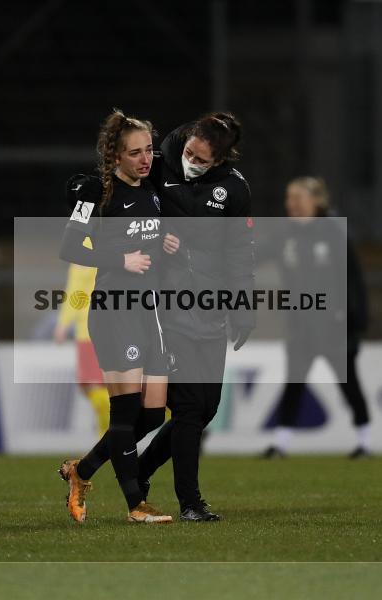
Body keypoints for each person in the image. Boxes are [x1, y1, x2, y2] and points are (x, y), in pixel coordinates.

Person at [134, 112, 255, 522]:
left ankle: (138, 471)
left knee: (206, 410)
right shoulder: (158, 164)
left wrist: (243, 306)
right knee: (187, 409)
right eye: (189, 153)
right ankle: (190, 502)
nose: (191, 162)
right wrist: (154, 233)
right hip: (166, 307)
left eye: (201, 160)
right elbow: (125, 211)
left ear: (219, 161)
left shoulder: (234, 190)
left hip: (212, 307)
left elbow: (239, 251)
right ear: (185, 141)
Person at [56, 109, 172, 524]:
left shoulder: (154, 190)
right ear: (115, 156)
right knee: (124, 413)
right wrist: (119, 257)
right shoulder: (95, 195)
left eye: (149, 150)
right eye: (135, 152)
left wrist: (167, 243)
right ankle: (135, 506)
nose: (145, 159)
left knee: (154, 414)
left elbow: (151, 237)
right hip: (114, 310)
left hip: (148, 311)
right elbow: (70, 247)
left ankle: (81, 470)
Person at [260, 176, 372, 459]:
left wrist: (357, 319)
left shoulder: (334, 233)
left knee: (348, 384)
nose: (291, 205)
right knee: (294, 383)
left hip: (335, 326)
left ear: (317, 201)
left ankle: (365, 441)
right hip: (301, 324)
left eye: (298, 198)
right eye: (289, 199)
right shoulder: (284, 234)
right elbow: (254, 255)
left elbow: (354, 279)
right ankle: (281, 444)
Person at [53, 263, 110, 437]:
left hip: (96, 329)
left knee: (97, 387)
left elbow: (75, 290)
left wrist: (63, 323)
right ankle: (109, 439)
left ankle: (109, 440)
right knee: (92, 386)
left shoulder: (88, 246)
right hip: (91, 330)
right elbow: (76, 291)